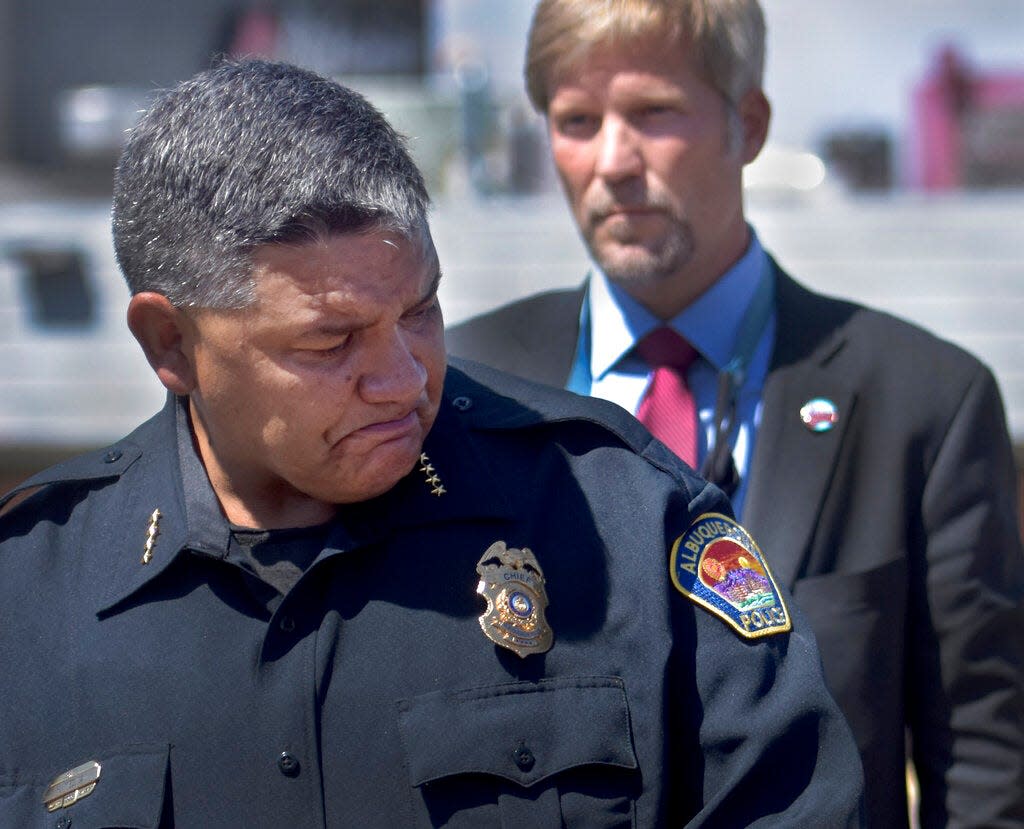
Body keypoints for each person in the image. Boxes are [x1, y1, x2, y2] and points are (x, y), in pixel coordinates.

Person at [0, 59, 863, 827]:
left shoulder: (621, 519)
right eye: (331, 343)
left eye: (420, 311)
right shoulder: (28, 598)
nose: (404, 380)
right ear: (171, 345)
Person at [445, 2, 1024, 827]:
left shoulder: (925, 400)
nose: (613, 159)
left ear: (747, 123)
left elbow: (982, 768)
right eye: (576, 120)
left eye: (653, 112)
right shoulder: (463, 387)